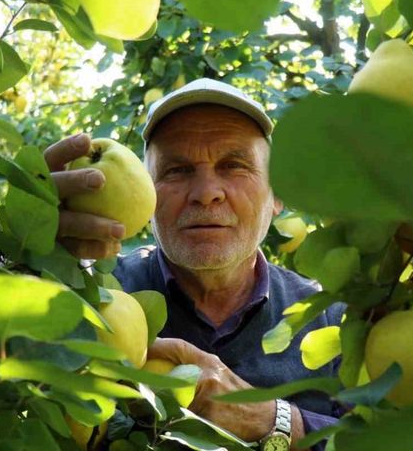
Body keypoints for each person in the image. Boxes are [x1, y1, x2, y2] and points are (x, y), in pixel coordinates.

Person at [44, 79, 344, 450]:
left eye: (234, 165)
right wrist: (33, 264)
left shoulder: (331, 322)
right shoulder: (87, 296)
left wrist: (277, 422)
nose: (206, 193)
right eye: (177, 170)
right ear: (145, 189)